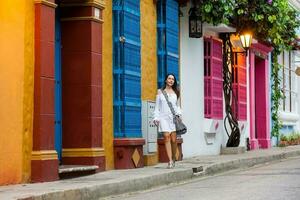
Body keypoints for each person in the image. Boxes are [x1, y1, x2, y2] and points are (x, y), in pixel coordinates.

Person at [153, 74, 182, 169]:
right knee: (166, 137)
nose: (171, 80)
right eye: (169, 78)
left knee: (174, 139)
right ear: (166, 80)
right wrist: (156, 118)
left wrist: (178, 114)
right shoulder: (160, 92)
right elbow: (157, 107)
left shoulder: (176, 92)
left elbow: (177, 106)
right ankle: (169, 161)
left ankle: (173, 158)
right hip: (163, 118)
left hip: (173, 118)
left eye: (173, 79)